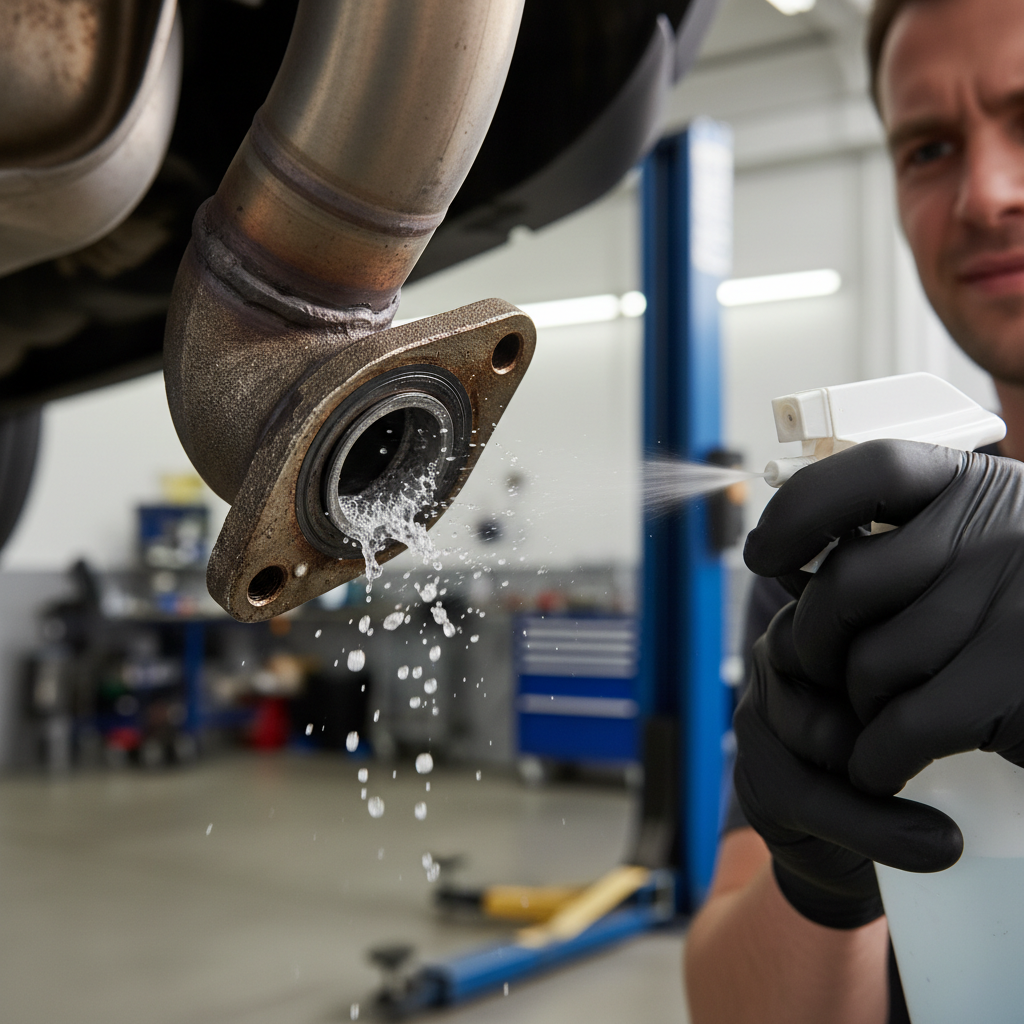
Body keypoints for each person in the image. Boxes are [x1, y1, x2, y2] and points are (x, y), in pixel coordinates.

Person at [684, 0, 1024, 1021]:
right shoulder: (874, 557)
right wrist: (818, 890)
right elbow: (731, 1007)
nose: (984, 192)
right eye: (926, 147)